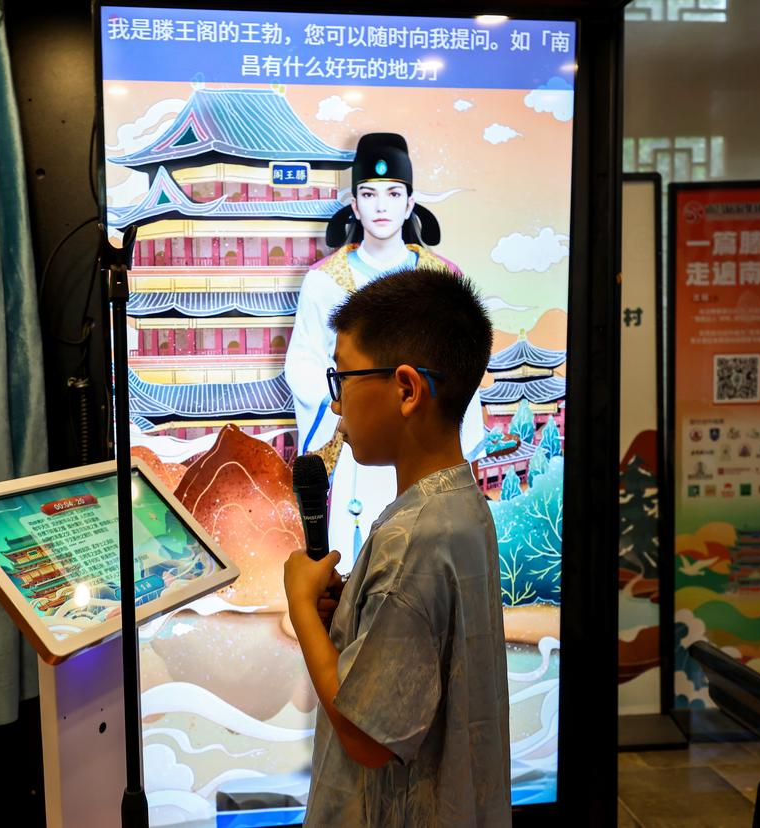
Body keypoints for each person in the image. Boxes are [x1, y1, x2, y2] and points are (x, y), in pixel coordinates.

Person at [283, 268, 510, 826]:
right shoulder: (462, 504)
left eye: (343, 379)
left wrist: (302, 608)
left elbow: (366, 738)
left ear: (406, 390)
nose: (336, 406)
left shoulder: (413, 538)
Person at [285, 132, 486, 569]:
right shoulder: (324, 280)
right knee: (356, 546)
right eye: (369, 194)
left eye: (393, 194)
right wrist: (350, 404)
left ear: (410, 203)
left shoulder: (441, 276)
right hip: (360, 439)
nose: (381, 206)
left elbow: (461, 365)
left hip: (423, 439)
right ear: (354, 205)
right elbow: (302, 363)